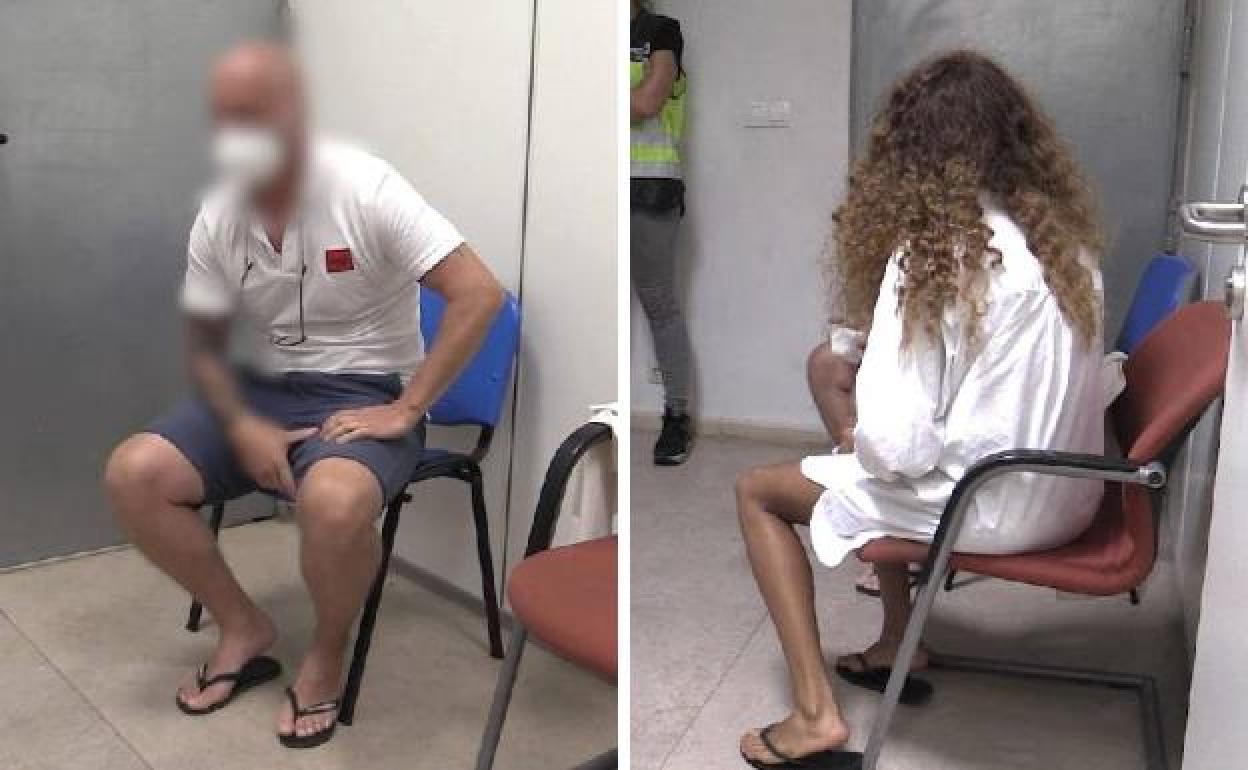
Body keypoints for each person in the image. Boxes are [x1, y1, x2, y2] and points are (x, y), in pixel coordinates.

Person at [103, 42, 504, 748]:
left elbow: (479, 293)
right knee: (134, 474)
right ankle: (243, 627)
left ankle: (326, 649)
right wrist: (241, 424)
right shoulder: (220, 213)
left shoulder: (367, 189)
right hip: (258, 389)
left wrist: (408, 407)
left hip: (361, 388)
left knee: (334, 503)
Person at [735, 51, 1108, 766]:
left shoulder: (932, 257)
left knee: (758, 490)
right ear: (1018, 140)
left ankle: (814, 715)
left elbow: (902, 449)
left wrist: (856, 439)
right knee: (861, 444)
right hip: (1069, 494)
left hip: (987, 505)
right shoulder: (1067, 250)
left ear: (909, 153)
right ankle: (895, 641)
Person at [631, 0, 694, 465]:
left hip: (649, 189)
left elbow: (646, 103)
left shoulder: (660, 31)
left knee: (659, 305)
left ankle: (676, 416)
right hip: (590, 186)